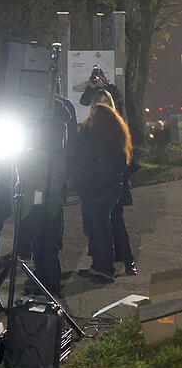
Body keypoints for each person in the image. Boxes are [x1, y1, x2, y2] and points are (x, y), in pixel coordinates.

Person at [74, 103, 132, 283]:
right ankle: (99, 266)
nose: (89, 118)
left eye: (93, 115)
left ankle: (105, 268)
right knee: (93, 229)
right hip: (95, 189)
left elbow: (106, 168)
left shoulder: (109, 140)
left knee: (100, 230)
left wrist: (92, 185)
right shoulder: (103, 136)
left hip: (100, 191)